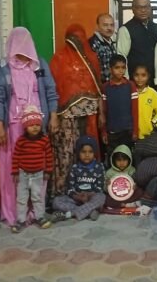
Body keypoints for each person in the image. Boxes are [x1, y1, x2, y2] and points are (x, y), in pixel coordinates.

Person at [0, 27, 59, 228]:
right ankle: (15, 213)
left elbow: (51, 91)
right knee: (14, 169)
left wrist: (53, 115)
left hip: (38, 125)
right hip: (13, 126)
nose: (22, 47)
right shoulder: (3, 67)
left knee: (37, 164)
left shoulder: (39, 64)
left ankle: (37, 212)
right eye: (18, 43)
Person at [49, 24, 103, 200]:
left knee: (88, 150)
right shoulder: (59, 58)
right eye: (72, 37)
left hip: (89, 114)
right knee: (67, 152)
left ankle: (90, 191)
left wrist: (102, 113)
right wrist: (54, 114)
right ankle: (64, 192)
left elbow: (98, 89)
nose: (75, 41)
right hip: (66, 115)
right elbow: (53, 87)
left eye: (79, 38)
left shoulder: (91, 57)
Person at [11, 105, 54, 233]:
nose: (35, 127)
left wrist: (48, 171)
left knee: (37, 197)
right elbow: (16, 156)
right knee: (21, 198)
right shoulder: (21, 141)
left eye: (37, 124)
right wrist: (15, 172)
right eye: (31, 125)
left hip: (38, 174)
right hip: (23, 174)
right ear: (25, 127)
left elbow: (49, 156)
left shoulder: (44, 140)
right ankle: (20, 220)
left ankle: (40, 217)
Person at [52, 136, 106, 221]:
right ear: (78, 152)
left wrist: (89, 195)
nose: (87, 155)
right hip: (77, 199)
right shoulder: (75, 167)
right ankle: (89, 212)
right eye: (83, 152)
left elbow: (100, 187)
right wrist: (77, 197)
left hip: (92, 198)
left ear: (94, 153)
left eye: (90, 152)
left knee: (101, 197)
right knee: (56, 201)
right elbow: (70, 189)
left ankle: (69, 214)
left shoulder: (99, 167)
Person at [100, 54, 139, 156]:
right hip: (112, 132)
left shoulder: (130, 86)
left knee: (127, 157)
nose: (120, 71)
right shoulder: (105, 87)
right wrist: (104, 132)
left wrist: (135, 131)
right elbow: (103, 111)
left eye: (123, 68)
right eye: (117, 68)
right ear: (110, 69)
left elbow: (135, 110)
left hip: (127, 131)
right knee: (112, 157)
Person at [117, 0, 157, 84]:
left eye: (146, 7)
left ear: (150, 8)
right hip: (135, 81)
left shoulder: (154, 27)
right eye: (139, 7)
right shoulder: (125, 29)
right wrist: (126, 82)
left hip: (153, 79)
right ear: (133, 9)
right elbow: (122, 57)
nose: (143, 10)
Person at [133, 65, 157, 140]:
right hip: (131, 134)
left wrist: (154, 123)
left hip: (147, 135)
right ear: (133, 76)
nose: (140, 78)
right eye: (136, 75)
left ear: (148, 76)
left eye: (143, 75)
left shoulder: (152, 93)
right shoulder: (130, 92)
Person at [89, 13, 117, 84]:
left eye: (112, 25)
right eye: (105, 25)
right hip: (99, 86)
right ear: (97, 27)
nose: (109, 28)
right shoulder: (93, 43)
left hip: (111, 85)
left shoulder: (111, 43)